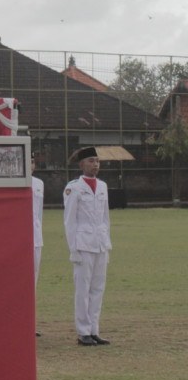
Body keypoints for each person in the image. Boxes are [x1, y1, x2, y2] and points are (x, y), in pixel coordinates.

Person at [63, 147, 112, 346]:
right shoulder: (73, 187)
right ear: (82, 164)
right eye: (91, 161)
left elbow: (105, 218)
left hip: (100, 243)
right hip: (83, 244)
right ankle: (83, 331)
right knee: (83, 289)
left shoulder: (102, 186)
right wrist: (73, 249)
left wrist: (107, 243)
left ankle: (94, 329)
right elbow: (70, 220)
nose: (95, 165)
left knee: (97, 289)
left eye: (97, 161)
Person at [31, 154, 44, 337]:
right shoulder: (15, 182)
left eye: (33, 161)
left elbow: (39, 213)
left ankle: (30, 324)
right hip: (17, 237)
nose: (31, 164)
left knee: (33, 281)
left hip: (35, 236)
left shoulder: (39, 183)